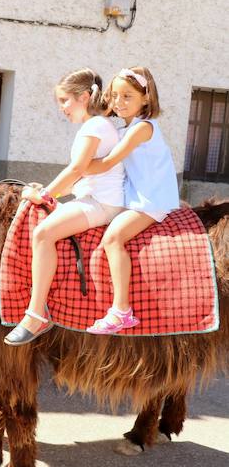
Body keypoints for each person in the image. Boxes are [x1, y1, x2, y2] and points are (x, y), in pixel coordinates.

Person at [4, 68, 124, 346]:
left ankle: (36, 314)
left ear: (83, 97)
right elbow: (81, 176)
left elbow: (77, 169)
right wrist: (46, 192)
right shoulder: (99, 125)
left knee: (43, 234)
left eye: (65, 101)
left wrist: (45, 195)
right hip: (95, 198)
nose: (62, 109)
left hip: (101, 204)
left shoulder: (93, 126)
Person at [83, 67, 179, 334]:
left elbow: (110, 161)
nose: (119, 102)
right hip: (136, 197)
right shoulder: (126, 129)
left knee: (113, 237)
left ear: (145, 98)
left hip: (151, 201)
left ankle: (121, 311)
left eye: (127, 96)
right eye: (114, 96)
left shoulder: (143, 128)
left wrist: (78, 167)